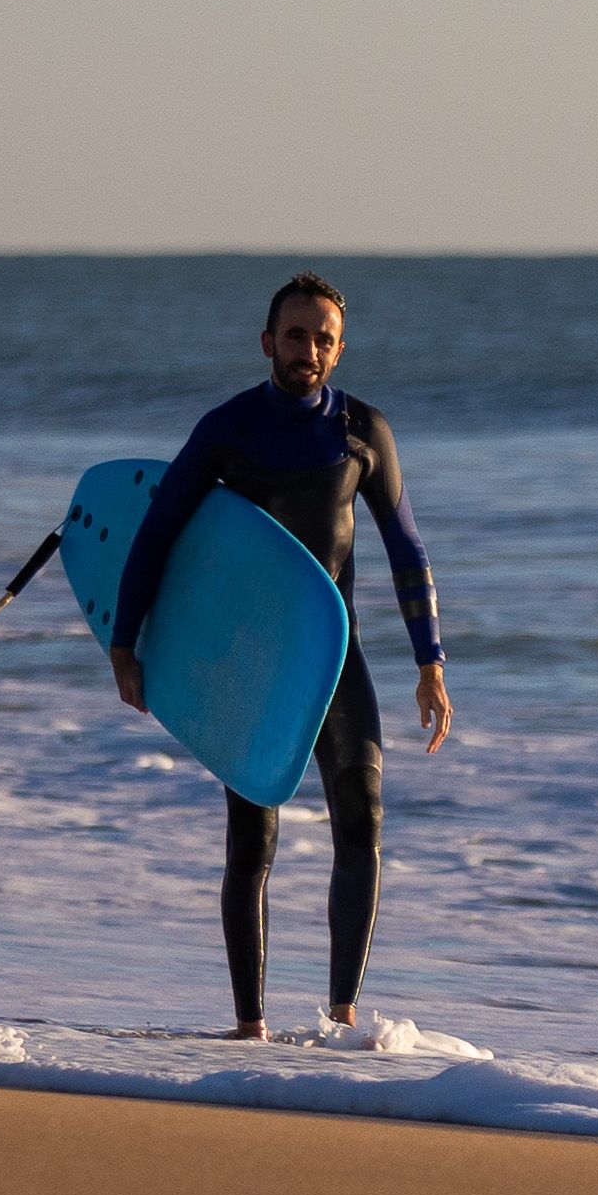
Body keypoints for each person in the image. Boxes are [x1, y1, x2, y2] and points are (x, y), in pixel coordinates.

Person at [108, 272, 452, 1039]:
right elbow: (157, 532)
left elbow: (407, 549)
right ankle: (250, 1024)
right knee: (252, 839)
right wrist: (125, 641)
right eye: (295, 335)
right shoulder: (228, 429)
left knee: (362, 822)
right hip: (250, 668)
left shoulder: (364, 431)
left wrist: (430, 661)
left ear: (340, 346)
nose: (309, 349)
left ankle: (343, 1014)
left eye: (324, 337)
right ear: (268, 342)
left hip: (337, 659)